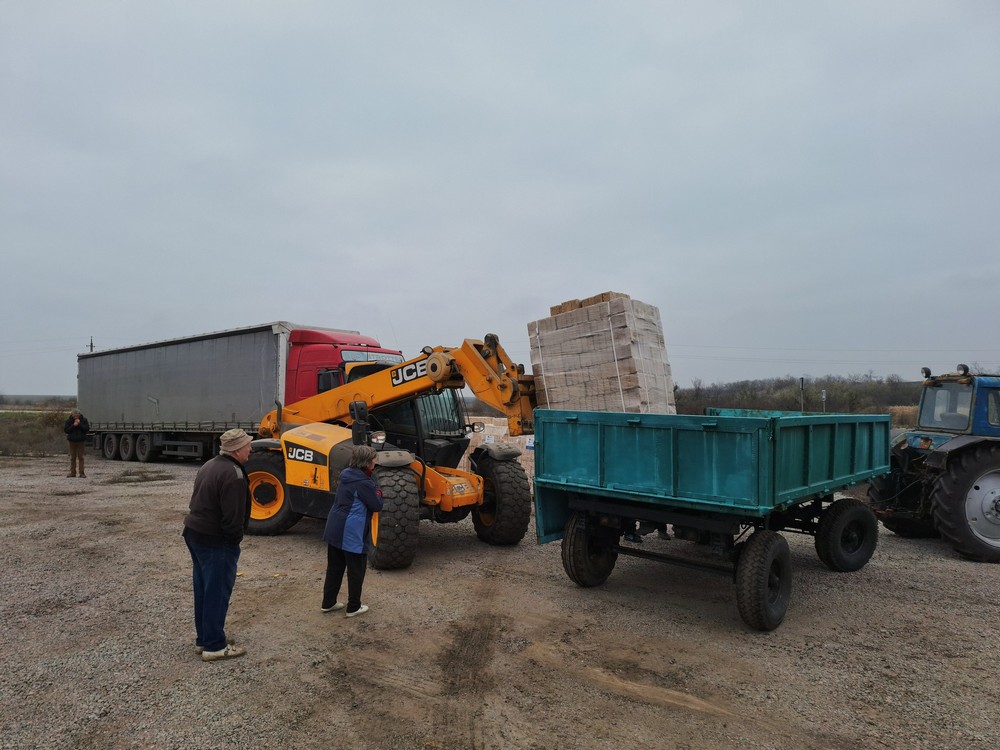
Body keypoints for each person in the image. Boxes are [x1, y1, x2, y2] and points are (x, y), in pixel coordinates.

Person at [182, 428, 253, 661]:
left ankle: (204, 639)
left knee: (204, 588)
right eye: (247, 446)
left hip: (195, 533)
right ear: (236, 449)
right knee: (217, 591)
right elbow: (232, 517)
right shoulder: (234, 474)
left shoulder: (210, 464)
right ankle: (214, 645)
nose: (250, 449)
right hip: (215, 540)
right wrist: (233, 542)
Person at [321, 445, 383, 618]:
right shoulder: (364, 482)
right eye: (374, 459)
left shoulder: (347, 474)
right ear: (367, 462)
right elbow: (377, 505)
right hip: (351, 531)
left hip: (335, 527)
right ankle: (353, 607)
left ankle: (328, 602)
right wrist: (378, 490)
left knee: (335, 567)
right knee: (356, 569)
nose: (375, 462)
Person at [64, 409, 90, 478]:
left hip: (81, 441)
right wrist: (73, 425)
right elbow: (66, 430)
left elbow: (86, 429)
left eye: (77, 415)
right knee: (73, 457)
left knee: (81, 457)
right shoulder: (68, 421)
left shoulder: (84, 420)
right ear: (72, 415)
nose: (76, 417)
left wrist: (79, 424)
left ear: (79, 414)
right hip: (72, 441)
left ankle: (82, 473)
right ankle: (72, 473)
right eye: (74, 416)